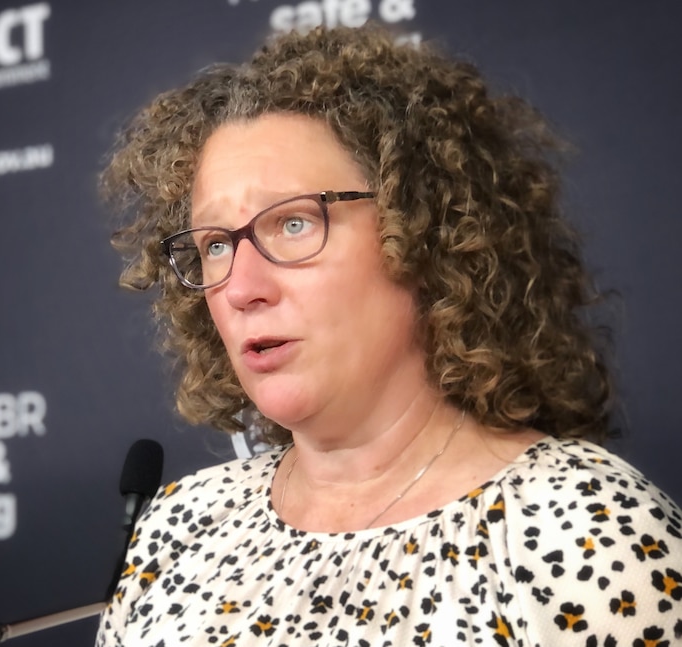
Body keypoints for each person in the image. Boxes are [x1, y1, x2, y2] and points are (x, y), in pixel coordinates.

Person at [95, 23, 682, 647]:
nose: (242, 287)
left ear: (424, 232)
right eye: (215, 244)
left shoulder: (591, 531)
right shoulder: (179, 526)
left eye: (293, 223)